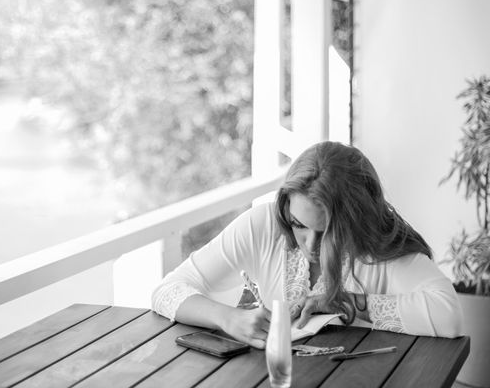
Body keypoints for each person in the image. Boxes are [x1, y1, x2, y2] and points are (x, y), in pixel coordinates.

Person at [151, 141, 463, 349]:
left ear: (356, 221)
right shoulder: (263, 225)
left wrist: (352, 305)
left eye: (326, 231)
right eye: (299, 225)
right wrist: (228, 318)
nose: (310, 245)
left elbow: (449, 315)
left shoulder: (379, 245)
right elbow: (167, 291)